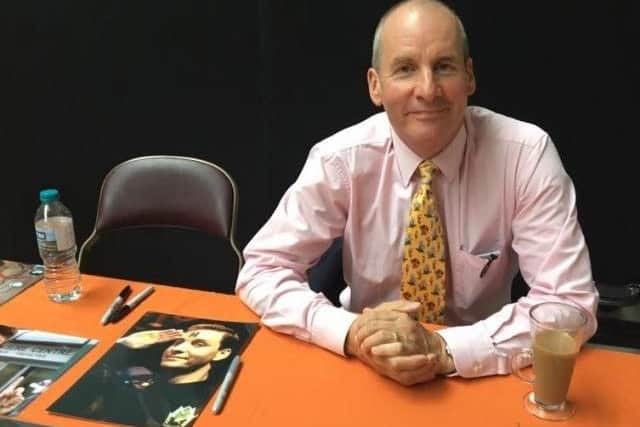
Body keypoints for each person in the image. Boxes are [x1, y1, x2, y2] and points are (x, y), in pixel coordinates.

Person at [236, 0, 598, 385]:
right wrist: (350, 332)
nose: (427, 89)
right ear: (375, 86)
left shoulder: (524, 155)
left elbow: (569, 303)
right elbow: (261, 269)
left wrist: (445, 349)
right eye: (406, 69)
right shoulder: (340, 160)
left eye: (443, 66)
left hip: (482, 367)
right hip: (363, 365)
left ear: (469, 76)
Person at [65, 323, 239, 427]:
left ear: (221, 353)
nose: (177, 348)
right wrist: (122, 344)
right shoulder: (131, 386)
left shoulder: (216, 397)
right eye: (178, 341)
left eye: (198, 344)